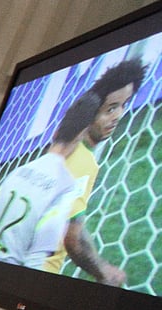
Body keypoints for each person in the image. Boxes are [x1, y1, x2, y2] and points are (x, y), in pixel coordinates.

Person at [0, 93, 101, 269]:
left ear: (54, 133)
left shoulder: (18, 172)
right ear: (80, 137)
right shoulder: (65, 186)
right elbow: (37, 258)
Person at [41, 58, 147, 286]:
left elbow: (73, 222)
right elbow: (73, 240)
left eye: (123, 105)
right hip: (38, 275)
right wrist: (104, 272)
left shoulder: (62, 155)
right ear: (90, 115)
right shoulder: (82, 161)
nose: (118, 115)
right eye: (110, 109)